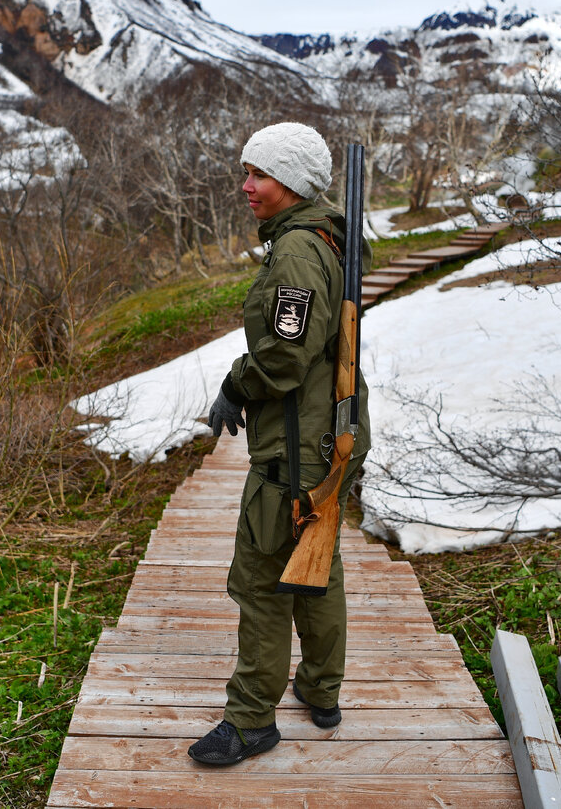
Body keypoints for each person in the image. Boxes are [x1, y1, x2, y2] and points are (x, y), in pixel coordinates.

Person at [188, 122, 371, 766]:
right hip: (331, 435)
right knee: (317, 567)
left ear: (290, 183)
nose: (246, 186)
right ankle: (321, 692)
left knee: (263, 582)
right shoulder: (327, 238)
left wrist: (235, 385)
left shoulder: (296, 254)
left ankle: (250, 721)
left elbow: (285, 359)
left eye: (258, 175)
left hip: (296, 447)